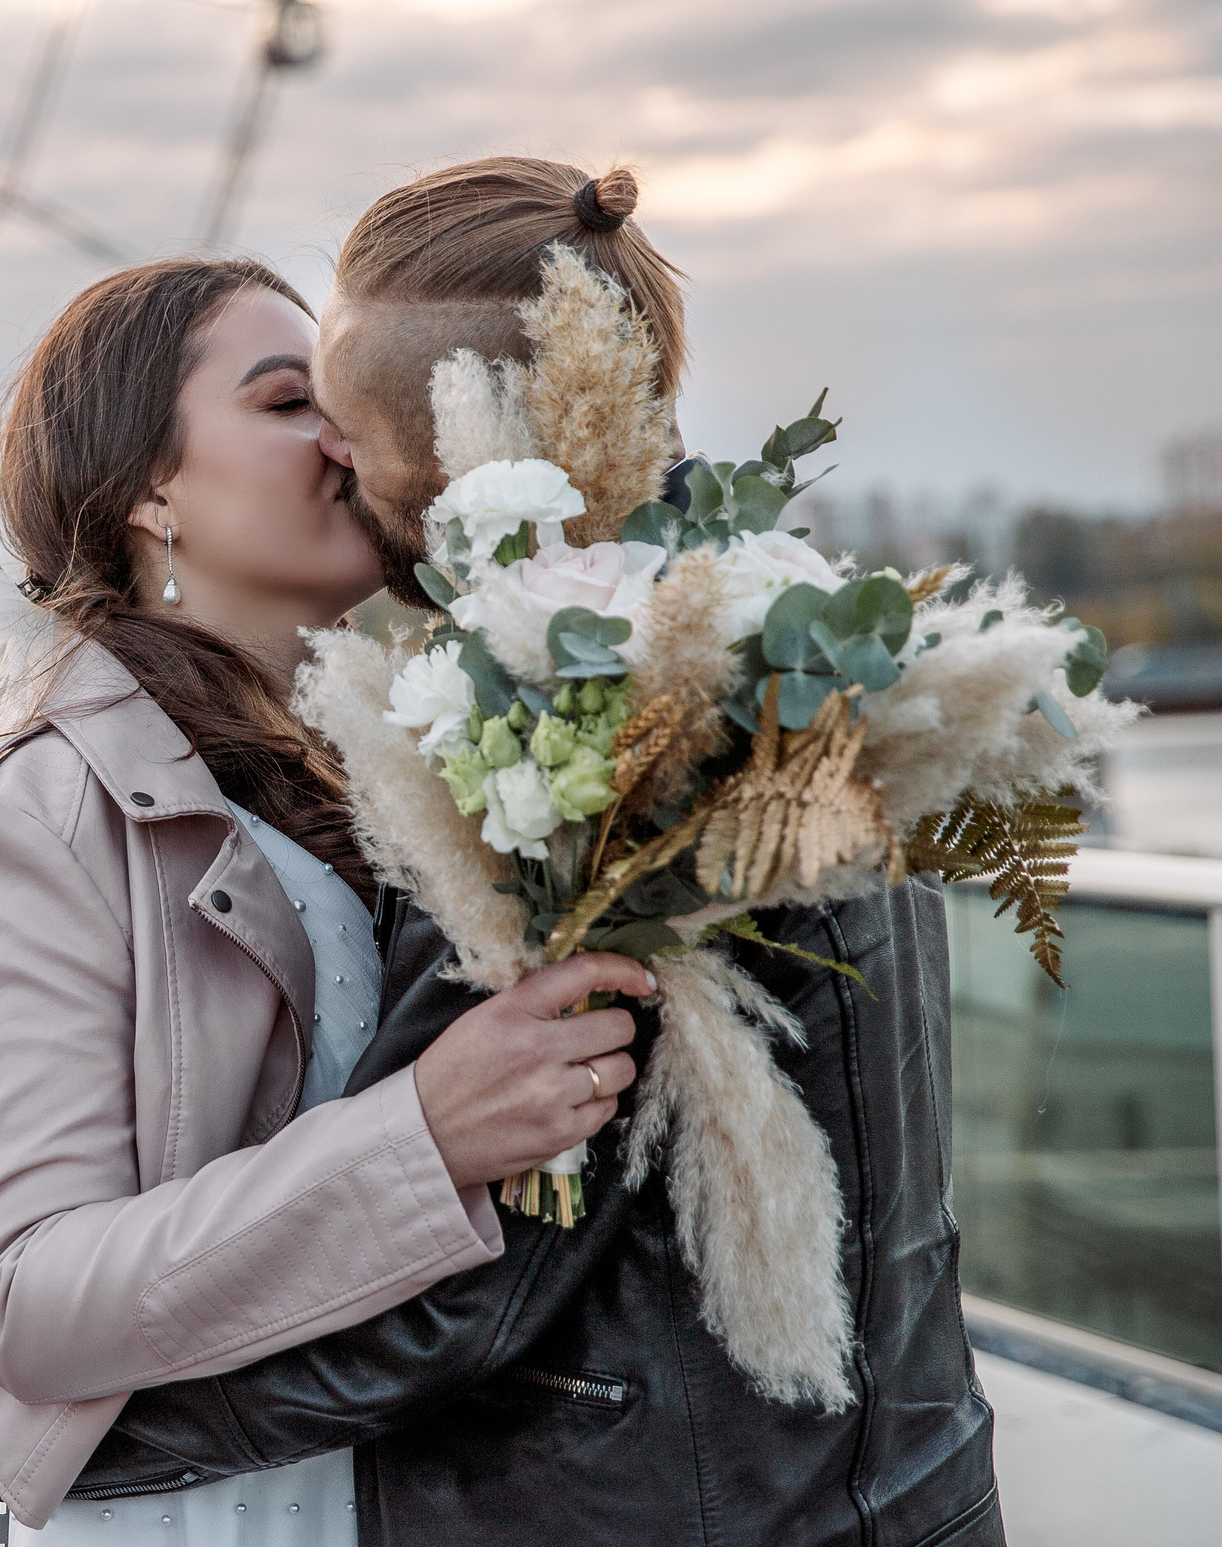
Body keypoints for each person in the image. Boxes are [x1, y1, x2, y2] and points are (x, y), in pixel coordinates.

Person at [65, 158, 1005, 1547]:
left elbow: (458, 1293)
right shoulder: (784, 638)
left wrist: (85, 1441)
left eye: (344, 425)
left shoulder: (568, 730)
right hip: (892, 1493)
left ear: (455, 438)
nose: (333, 456)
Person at [0, 256, 659, 1544]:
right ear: (152, 487)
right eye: (287, 402)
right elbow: (20, 1301)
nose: (349, 437)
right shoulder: (45, 812)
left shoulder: (373, 772)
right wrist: (423, 1139)